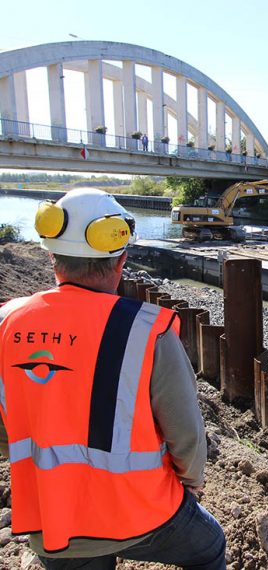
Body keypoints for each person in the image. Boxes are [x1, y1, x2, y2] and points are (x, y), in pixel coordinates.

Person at [0, 189, 226, 569]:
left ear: (53, 258)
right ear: (120, 261)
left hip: (53, 522)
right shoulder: (147, 331)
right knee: (208, 547)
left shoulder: (6, 325)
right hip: (143, 514)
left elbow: (5, 435)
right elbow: (186, 435)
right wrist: (190, 482)